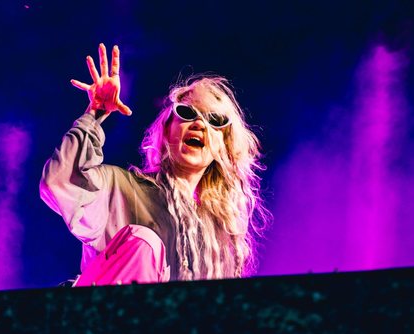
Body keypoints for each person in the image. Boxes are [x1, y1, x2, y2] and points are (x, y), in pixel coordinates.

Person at [40, 43, 269, 285]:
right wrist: (95, 113)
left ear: (224, 145)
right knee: (143, 240)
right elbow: (59, 182)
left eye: (215, 120)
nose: (199, 124)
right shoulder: (122, 188)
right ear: (167, 131)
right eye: (188, 113)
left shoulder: (218, 236)